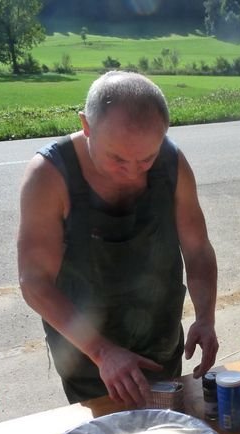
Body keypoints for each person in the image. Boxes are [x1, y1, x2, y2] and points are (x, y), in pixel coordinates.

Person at [18, 71, 219, 408]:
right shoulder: (49, 176)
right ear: (86, 126)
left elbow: (197, 248)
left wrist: (205, 317)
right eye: (118, 159)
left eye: (146, 159)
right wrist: (103, 352)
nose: (133, 171)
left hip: (160, 344)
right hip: (88, 359)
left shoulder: (172, 162)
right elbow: (34, 282)